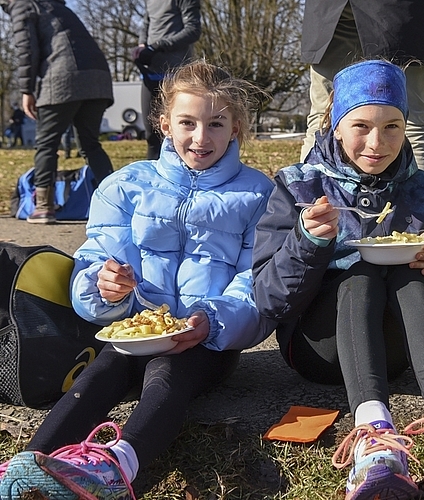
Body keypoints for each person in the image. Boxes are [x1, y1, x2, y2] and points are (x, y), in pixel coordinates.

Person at [0, 60, 276, 500]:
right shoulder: (124, 185)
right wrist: (100, 286)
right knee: (103, 368)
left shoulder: (258, 195)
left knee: (168, 372)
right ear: (165, 123)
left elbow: (255, 282)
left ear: (237, 127)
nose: (200, 138)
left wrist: (211, 318)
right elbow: (94, 263)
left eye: (216, 124)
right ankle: (28, 464)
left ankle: (118, 465)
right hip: (133, 332)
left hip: (208, 340)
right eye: (187, 122)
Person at [253, 60, 424, 500]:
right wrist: (307, 241)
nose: (377, 142)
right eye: (361, 126)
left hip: (397, 354)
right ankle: (373, 438)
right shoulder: (297, 187)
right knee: (360, 274)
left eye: (392, 126)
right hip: (317, 347)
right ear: (334, 126)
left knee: (410, 277)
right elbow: (268, 298)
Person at [299, 0, 424, 177]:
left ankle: (307, 199)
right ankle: (418, 203)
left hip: (332, 8)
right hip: (410, 11)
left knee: (322, 119)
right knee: (412, 124)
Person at [2, 0, 115, 224]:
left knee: (47, 143)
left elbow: (26, 49)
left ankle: (44, 206)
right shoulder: (57, 7)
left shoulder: (22, 5)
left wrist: (27, 90)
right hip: (98, 77)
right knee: (91, 144)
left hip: (63, 78)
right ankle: (116, 203)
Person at [133, 0, 201, 160]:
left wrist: (158, 46)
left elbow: (193, 30)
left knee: (178, 136)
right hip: (150, 73)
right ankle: (155, 181)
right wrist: (142, 46)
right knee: (152, 135)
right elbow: (146, 24)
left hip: (176, 74)